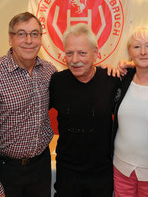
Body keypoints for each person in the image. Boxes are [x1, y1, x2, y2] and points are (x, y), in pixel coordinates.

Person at [0, 12, 57, 197]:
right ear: (10, 38)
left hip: (40, 167)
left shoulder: (49, 72)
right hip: (6, 171)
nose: (29, 40)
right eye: (21, 34)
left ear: (41, 39)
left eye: (34, 34)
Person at [49, 23, 120, 197]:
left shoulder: (111, 79)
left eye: (82, 53)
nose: (75, 60)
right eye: (69, 53)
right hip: (68, 172)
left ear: (95, 53)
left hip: (101, 172)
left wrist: (129, 63)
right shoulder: (57, 82)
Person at [112, 27, 148, 197]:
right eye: (136, 47)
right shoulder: (123, 77)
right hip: (120, 168)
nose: (143, 52)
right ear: (129, 51)